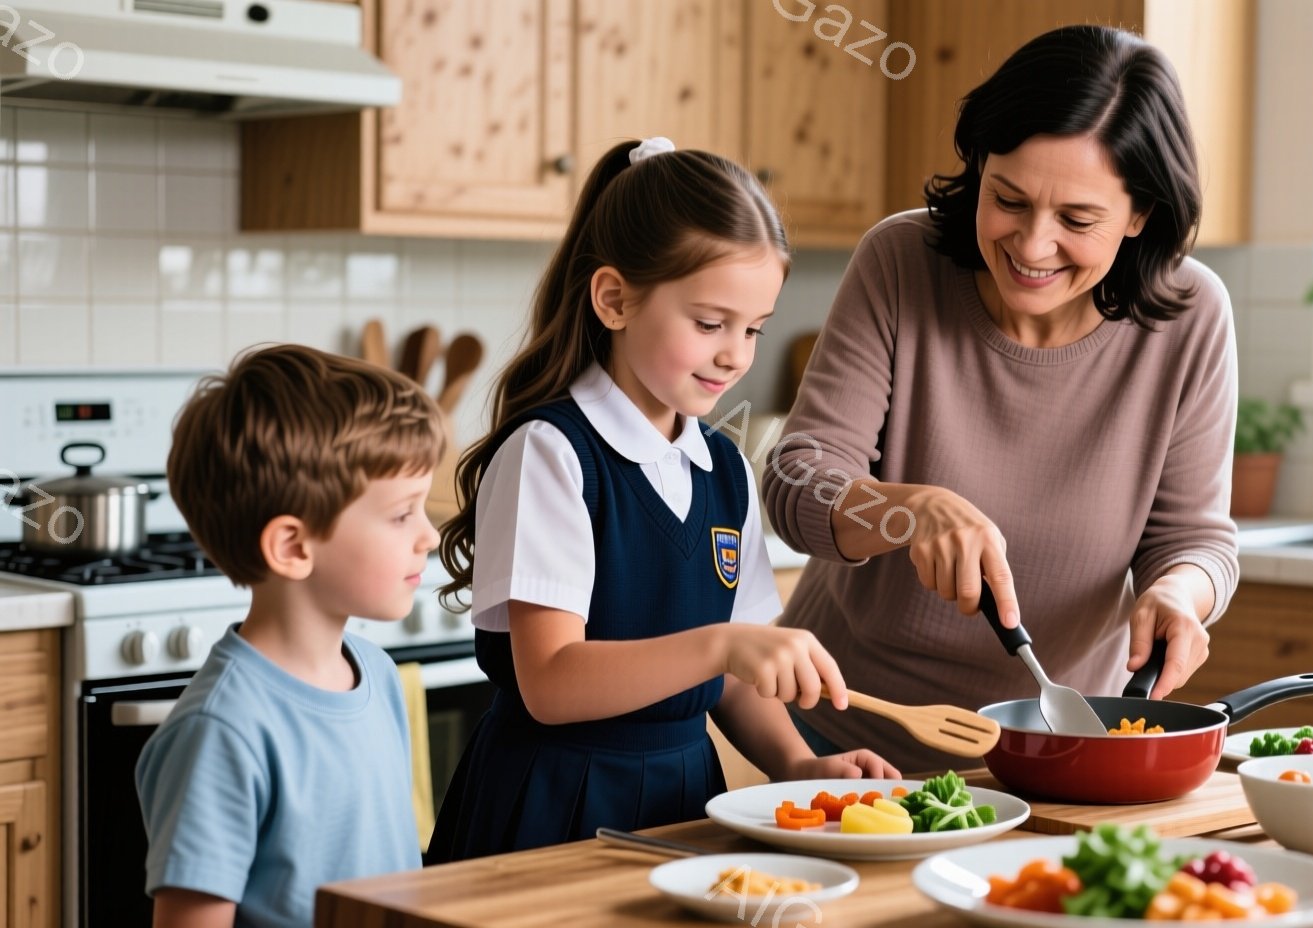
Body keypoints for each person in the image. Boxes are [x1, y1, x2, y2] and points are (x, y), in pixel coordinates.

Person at [763, 25, 1240, 771]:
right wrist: (906, 510)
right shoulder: (901, 262)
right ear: (978, 167)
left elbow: (1196, 541)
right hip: (852, 733)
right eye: (1008, 199)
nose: (1032, 245)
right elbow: (795, 481)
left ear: (1139, 214)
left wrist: (1180, 595)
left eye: (1077, 220)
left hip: (1058, 748)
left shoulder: (1190, 315)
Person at [428, 138, 899, 861]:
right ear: (614, 300)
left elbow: (742, 684)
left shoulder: (725, 468)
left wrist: (797, 768)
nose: (736, 355)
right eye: (710, 324)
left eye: (753, 330)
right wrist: (721, 645)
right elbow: (551, 683)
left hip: (686, 807)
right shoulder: (552, 454)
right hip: (552, 809)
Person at [137, 344, 444, 928]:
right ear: (294, 547)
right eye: (403, 514)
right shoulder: (223, 729)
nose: (428, 535)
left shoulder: (377, 674)